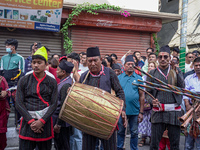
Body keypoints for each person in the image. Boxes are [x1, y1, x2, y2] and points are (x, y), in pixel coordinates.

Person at [79, 46, 126, 150]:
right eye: (89, 61)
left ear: (100, 60)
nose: (92, 64)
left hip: (107, 118)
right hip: (89, 119)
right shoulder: (83, 76)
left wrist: (122, 109)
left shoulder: (110, 73)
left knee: (109, 147)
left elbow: (120, 91)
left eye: (95, 60)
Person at [15, 46, 58, 150]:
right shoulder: (24, 80)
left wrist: (41, 121)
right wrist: (31, 121)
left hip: (45, 123)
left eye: (39, 62)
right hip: (27, 122)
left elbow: (54, 104)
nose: (36, 65)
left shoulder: (52, 81)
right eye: (34, 62)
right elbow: (19, 103)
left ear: (46, 64)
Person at [145, 45, 185, 150]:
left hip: (174, 112)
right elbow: (147, 93)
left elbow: (182, 87)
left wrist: (176, 72)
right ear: (157, 59)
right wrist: (151, 101)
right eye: (160, 57)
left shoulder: (177, 71)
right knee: (154, 145)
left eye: (166, 57)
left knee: (175, 145)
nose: (163, 59)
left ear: (170, 58)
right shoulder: (152, 73)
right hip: (158, 112)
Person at [117, 55, 145, 150]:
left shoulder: (139, 78)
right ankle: (119, 148)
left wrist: (141, 112)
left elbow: (142, 96)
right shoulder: (118, 78)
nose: (130, 66)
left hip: (134, 111)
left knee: (134, 132)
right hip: (121, 111)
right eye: (128, 64)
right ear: (124, 66)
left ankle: (134, 148)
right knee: (120, 131)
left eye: (132, 64)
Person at [1, 38, 25, 131]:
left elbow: (22, 73)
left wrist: (19, 86)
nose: (6, 47)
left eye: (7, 46)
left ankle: (18, 124)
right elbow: (1, 71)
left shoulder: (20, 58)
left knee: (17, 105)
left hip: (15, 86)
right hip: (5, 86)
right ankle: (3, 124)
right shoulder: (3, 58)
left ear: (13, 47)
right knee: (4, 104)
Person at [53, 60, 74, 150]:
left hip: (63, 124)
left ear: (63, 72)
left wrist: (58, 124)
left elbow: (63, 106)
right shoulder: (65, 81)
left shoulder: (66, 85)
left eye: (58, 70)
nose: (56, 72)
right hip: (61, 122)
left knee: (63, 146)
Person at [138, 61, 158, 147]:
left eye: (152, 66)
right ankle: (143, 138)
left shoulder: (156, 78)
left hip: (153, 102)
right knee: (143, 120)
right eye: (149, 66)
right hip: (144, 102)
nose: (150, 68)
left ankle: (151, 138)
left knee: (151, 120)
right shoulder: (143, 78)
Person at [183, 57, 200, 150]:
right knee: (188, 141)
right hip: (191, 109)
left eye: (199, 65)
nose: (198, 67)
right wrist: (188, 105)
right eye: (196, 65)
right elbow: (185, 93)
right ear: (193, 66)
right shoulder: (189, 78)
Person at [0, 76, 11, 150]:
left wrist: (5, 93)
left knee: (1, 137)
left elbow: (9, 92)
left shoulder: (2, 79)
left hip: (2, 111)